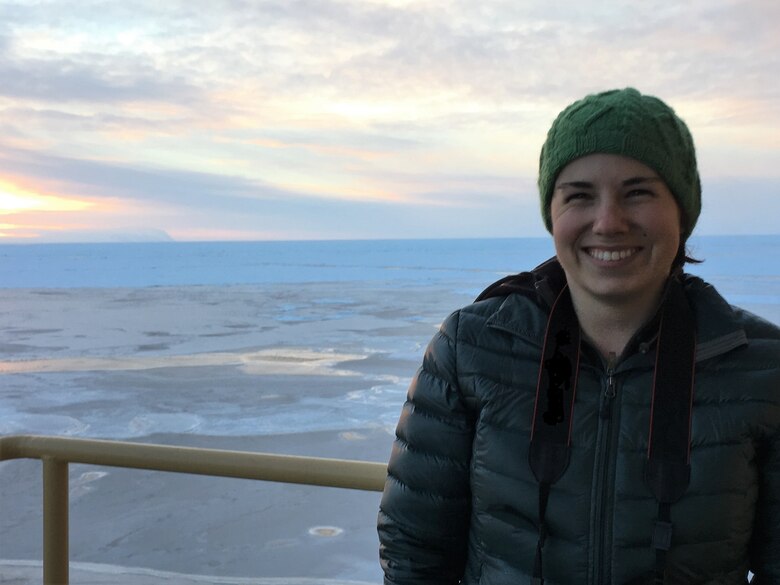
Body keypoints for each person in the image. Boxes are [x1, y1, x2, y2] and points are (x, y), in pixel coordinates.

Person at [377, 88, 780, 584]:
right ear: (553, 214)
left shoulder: (761, 366)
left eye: (638, 192)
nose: (608, 222)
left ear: (683, 211)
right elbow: (416, 555)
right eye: (579, 196)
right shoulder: (472, 348)